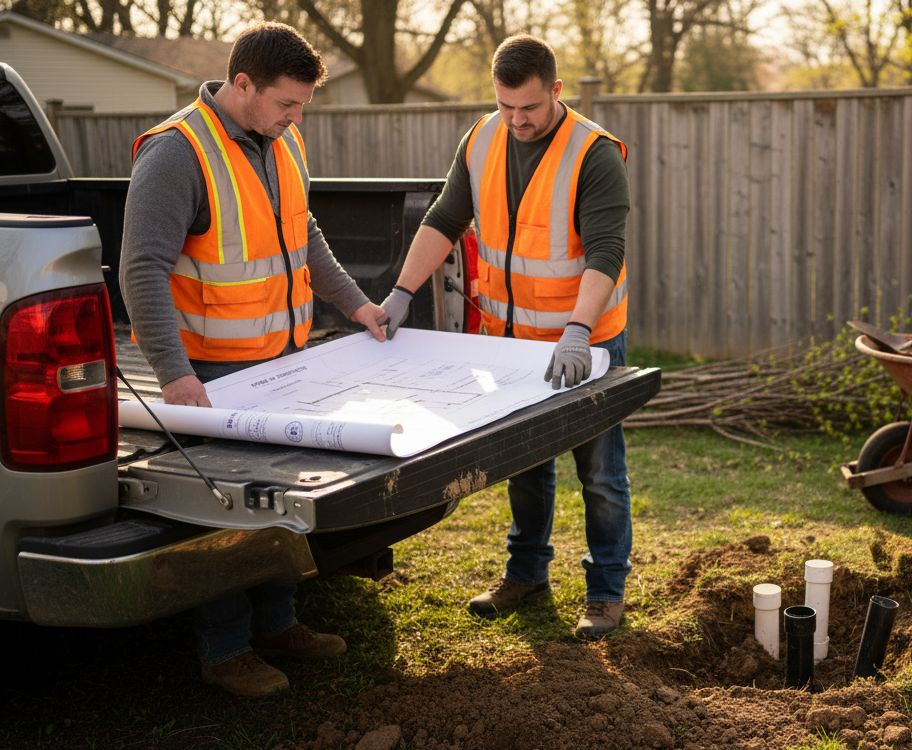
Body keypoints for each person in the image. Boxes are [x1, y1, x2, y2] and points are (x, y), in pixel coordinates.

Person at [120, 21, 388, 696]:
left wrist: (358, 306)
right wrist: (177, 375)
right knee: (227, 517)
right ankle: (226, 649)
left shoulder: (281, 137)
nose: (298, 117)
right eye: (287, 103)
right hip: (213, 375)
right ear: (243, 86)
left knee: (279, 506)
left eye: (301, 105)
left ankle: (277, 622)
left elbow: (306, 234)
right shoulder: (176, 152)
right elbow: (141, 269)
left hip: (284, 362)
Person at [380, 34, 632, 639]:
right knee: (526, 465)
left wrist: (577, 330)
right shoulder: (482, 137)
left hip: (584, 344)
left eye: (530, 109)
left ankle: (605, 592)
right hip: (511, 342)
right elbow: (445, 218)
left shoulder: (594, 153)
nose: (517, 121)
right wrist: (401, 292)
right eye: (506, 106)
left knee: (599, 473)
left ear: (556, 92)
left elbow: (607, 249)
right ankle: (526, 575)